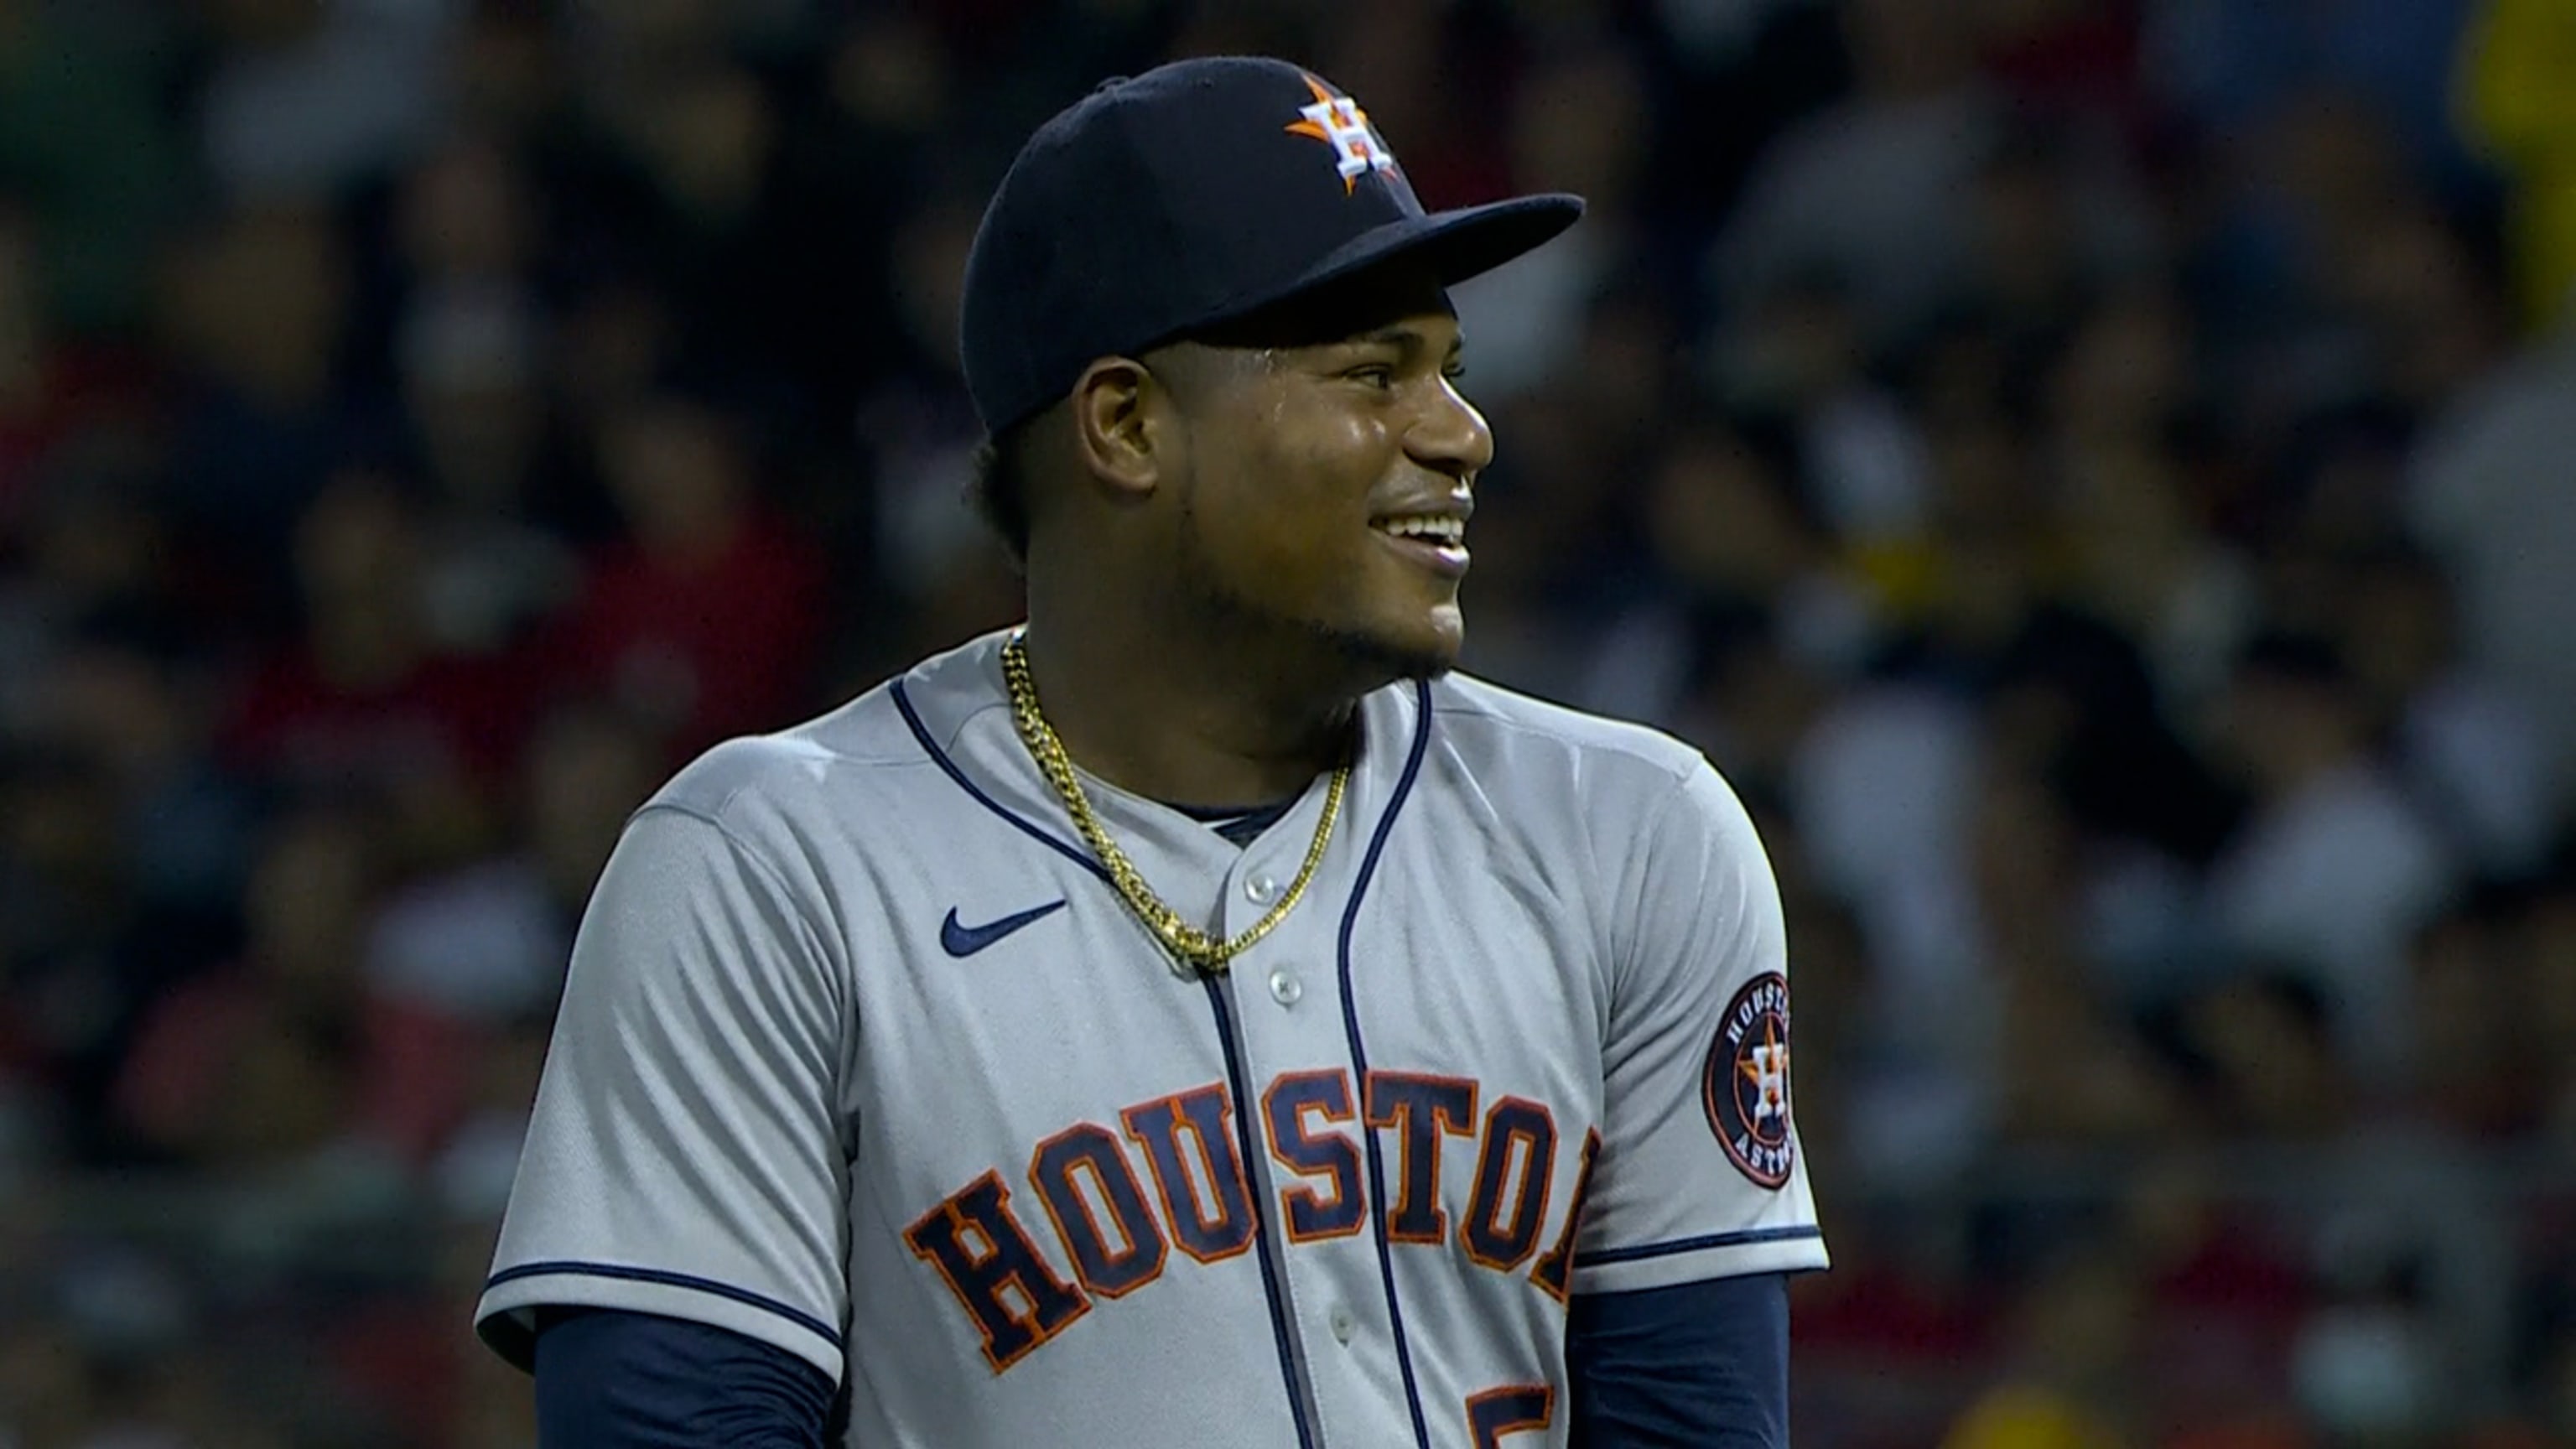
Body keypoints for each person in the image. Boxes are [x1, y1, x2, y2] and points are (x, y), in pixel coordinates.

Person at [475, 55, 1827, 1447]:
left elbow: (1693, 1417)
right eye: (1376, 372)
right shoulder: (772, 870)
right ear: (1124, 424)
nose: (1460, 431)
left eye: (1451, 369)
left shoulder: (1633, 832)